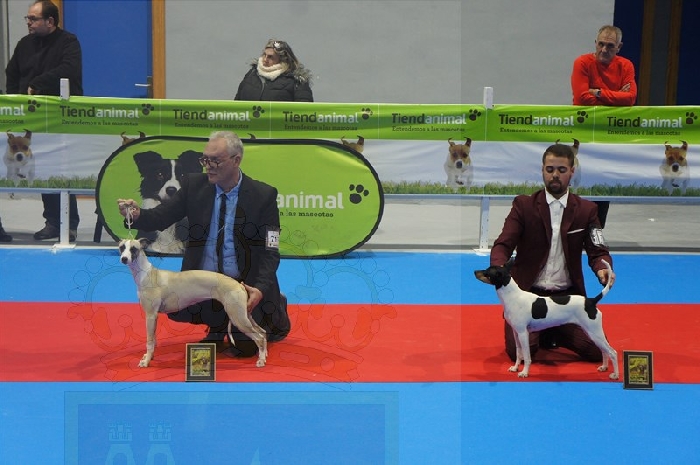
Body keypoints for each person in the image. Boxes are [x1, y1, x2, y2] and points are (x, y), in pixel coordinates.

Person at [117, 131, 290, 357]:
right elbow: (160, 216)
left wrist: (260, 288)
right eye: (205, 160)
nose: (208, 166)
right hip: (203, 281)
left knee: (246, 347)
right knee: (176, 304)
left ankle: (276, 309)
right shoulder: (193, 186)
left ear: (236, 160)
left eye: (215, 161)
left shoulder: (263, 195)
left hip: (244, 283)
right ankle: (216, 324)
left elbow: (270, 250)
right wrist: (137, 214)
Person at [490, 143, 616, 363]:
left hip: (567, 300)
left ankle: (554, 330)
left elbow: (598, 251)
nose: (555, 175)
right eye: (550, 169)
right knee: (520, 353)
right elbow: (503, 244)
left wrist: (602, 269)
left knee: (596, 352)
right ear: (542, 170)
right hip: (527, 296)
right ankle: (547, 332)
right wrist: (498, 265)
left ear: (572, 172)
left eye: (561, 170)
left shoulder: (587, 210)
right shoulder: (523, 206)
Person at [5, 0, 82, 242]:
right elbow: (11, 73)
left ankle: (67, 224)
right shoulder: (24, 44)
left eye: (33, 18)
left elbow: (69, 69)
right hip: (31, 117)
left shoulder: (68, 42)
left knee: (61, 170)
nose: (28, 22)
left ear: (50, 21)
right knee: (43, 170)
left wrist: (36, 85)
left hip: (60, 118)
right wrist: (14, 103)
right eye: (27, 18)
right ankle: (52, 222)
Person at [571, 25, 637, 227]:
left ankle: (596, 230)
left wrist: (598, 92)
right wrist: (616, 97)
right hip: (583, 130)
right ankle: (574, 228)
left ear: (619, 47)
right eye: (601, 44)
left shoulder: (626, 66)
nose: (604, 49)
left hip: (609, 134)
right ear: (595, 43)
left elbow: (630, 98)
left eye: (610, 46)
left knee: (603, 182)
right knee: (579, 180)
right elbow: (582, 98)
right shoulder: (582, 62)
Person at [234, 39, 313, 102]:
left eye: (270, 57)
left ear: (282, 59)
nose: (265, 59)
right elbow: (237, 103)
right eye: (264, 55)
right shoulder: (251, 74)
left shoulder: (296, 82)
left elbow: (304, 111)